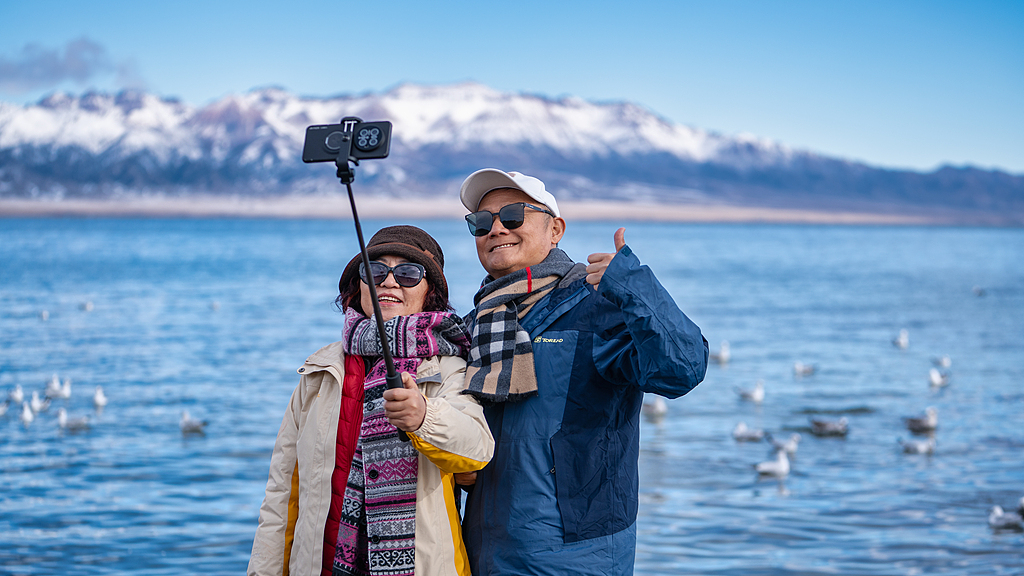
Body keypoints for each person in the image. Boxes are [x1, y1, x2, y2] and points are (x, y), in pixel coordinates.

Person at [455, 169, 708, 575]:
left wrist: (635, 289)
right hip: (484, 552)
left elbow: (683, 370)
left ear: (555, 229)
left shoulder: (598, 307)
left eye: (513, 215)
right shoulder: (477, 324)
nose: (497, 229)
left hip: (577, 555)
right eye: (482, 222)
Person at [249, 225, 494, 576]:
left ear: (430, 293)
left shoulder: (449, 367)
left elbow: (476, 450)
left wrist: (423, 417)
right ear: (359, 285)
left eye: (408, 274)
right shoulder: (320, 371)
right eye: (375, 271)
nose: (389, 282)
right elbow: (282, 494)